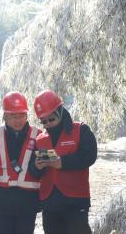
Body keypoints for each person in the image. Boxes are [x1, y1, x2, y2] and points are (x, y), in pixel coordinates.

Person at [32, 90, 97, 234]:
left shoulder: (81, 130)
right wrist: (37, 167)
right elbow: (34, 171)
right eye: (44, 121)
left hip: (75, 201)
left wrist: (63, 162)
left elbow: (90, 156)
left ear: (60, 111)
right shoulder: (40, 139)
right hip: (49, 204)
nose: (48, 124)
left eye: (51, 119)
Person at [0, 92, 41, 234]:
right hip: (2, 203)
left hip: (27, 203)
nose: (18, 120)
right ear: (5, 117)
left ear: (26, 116)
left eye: (21, 115)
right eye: (13, 116)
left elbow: (44, 169)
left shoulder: (39, 137)